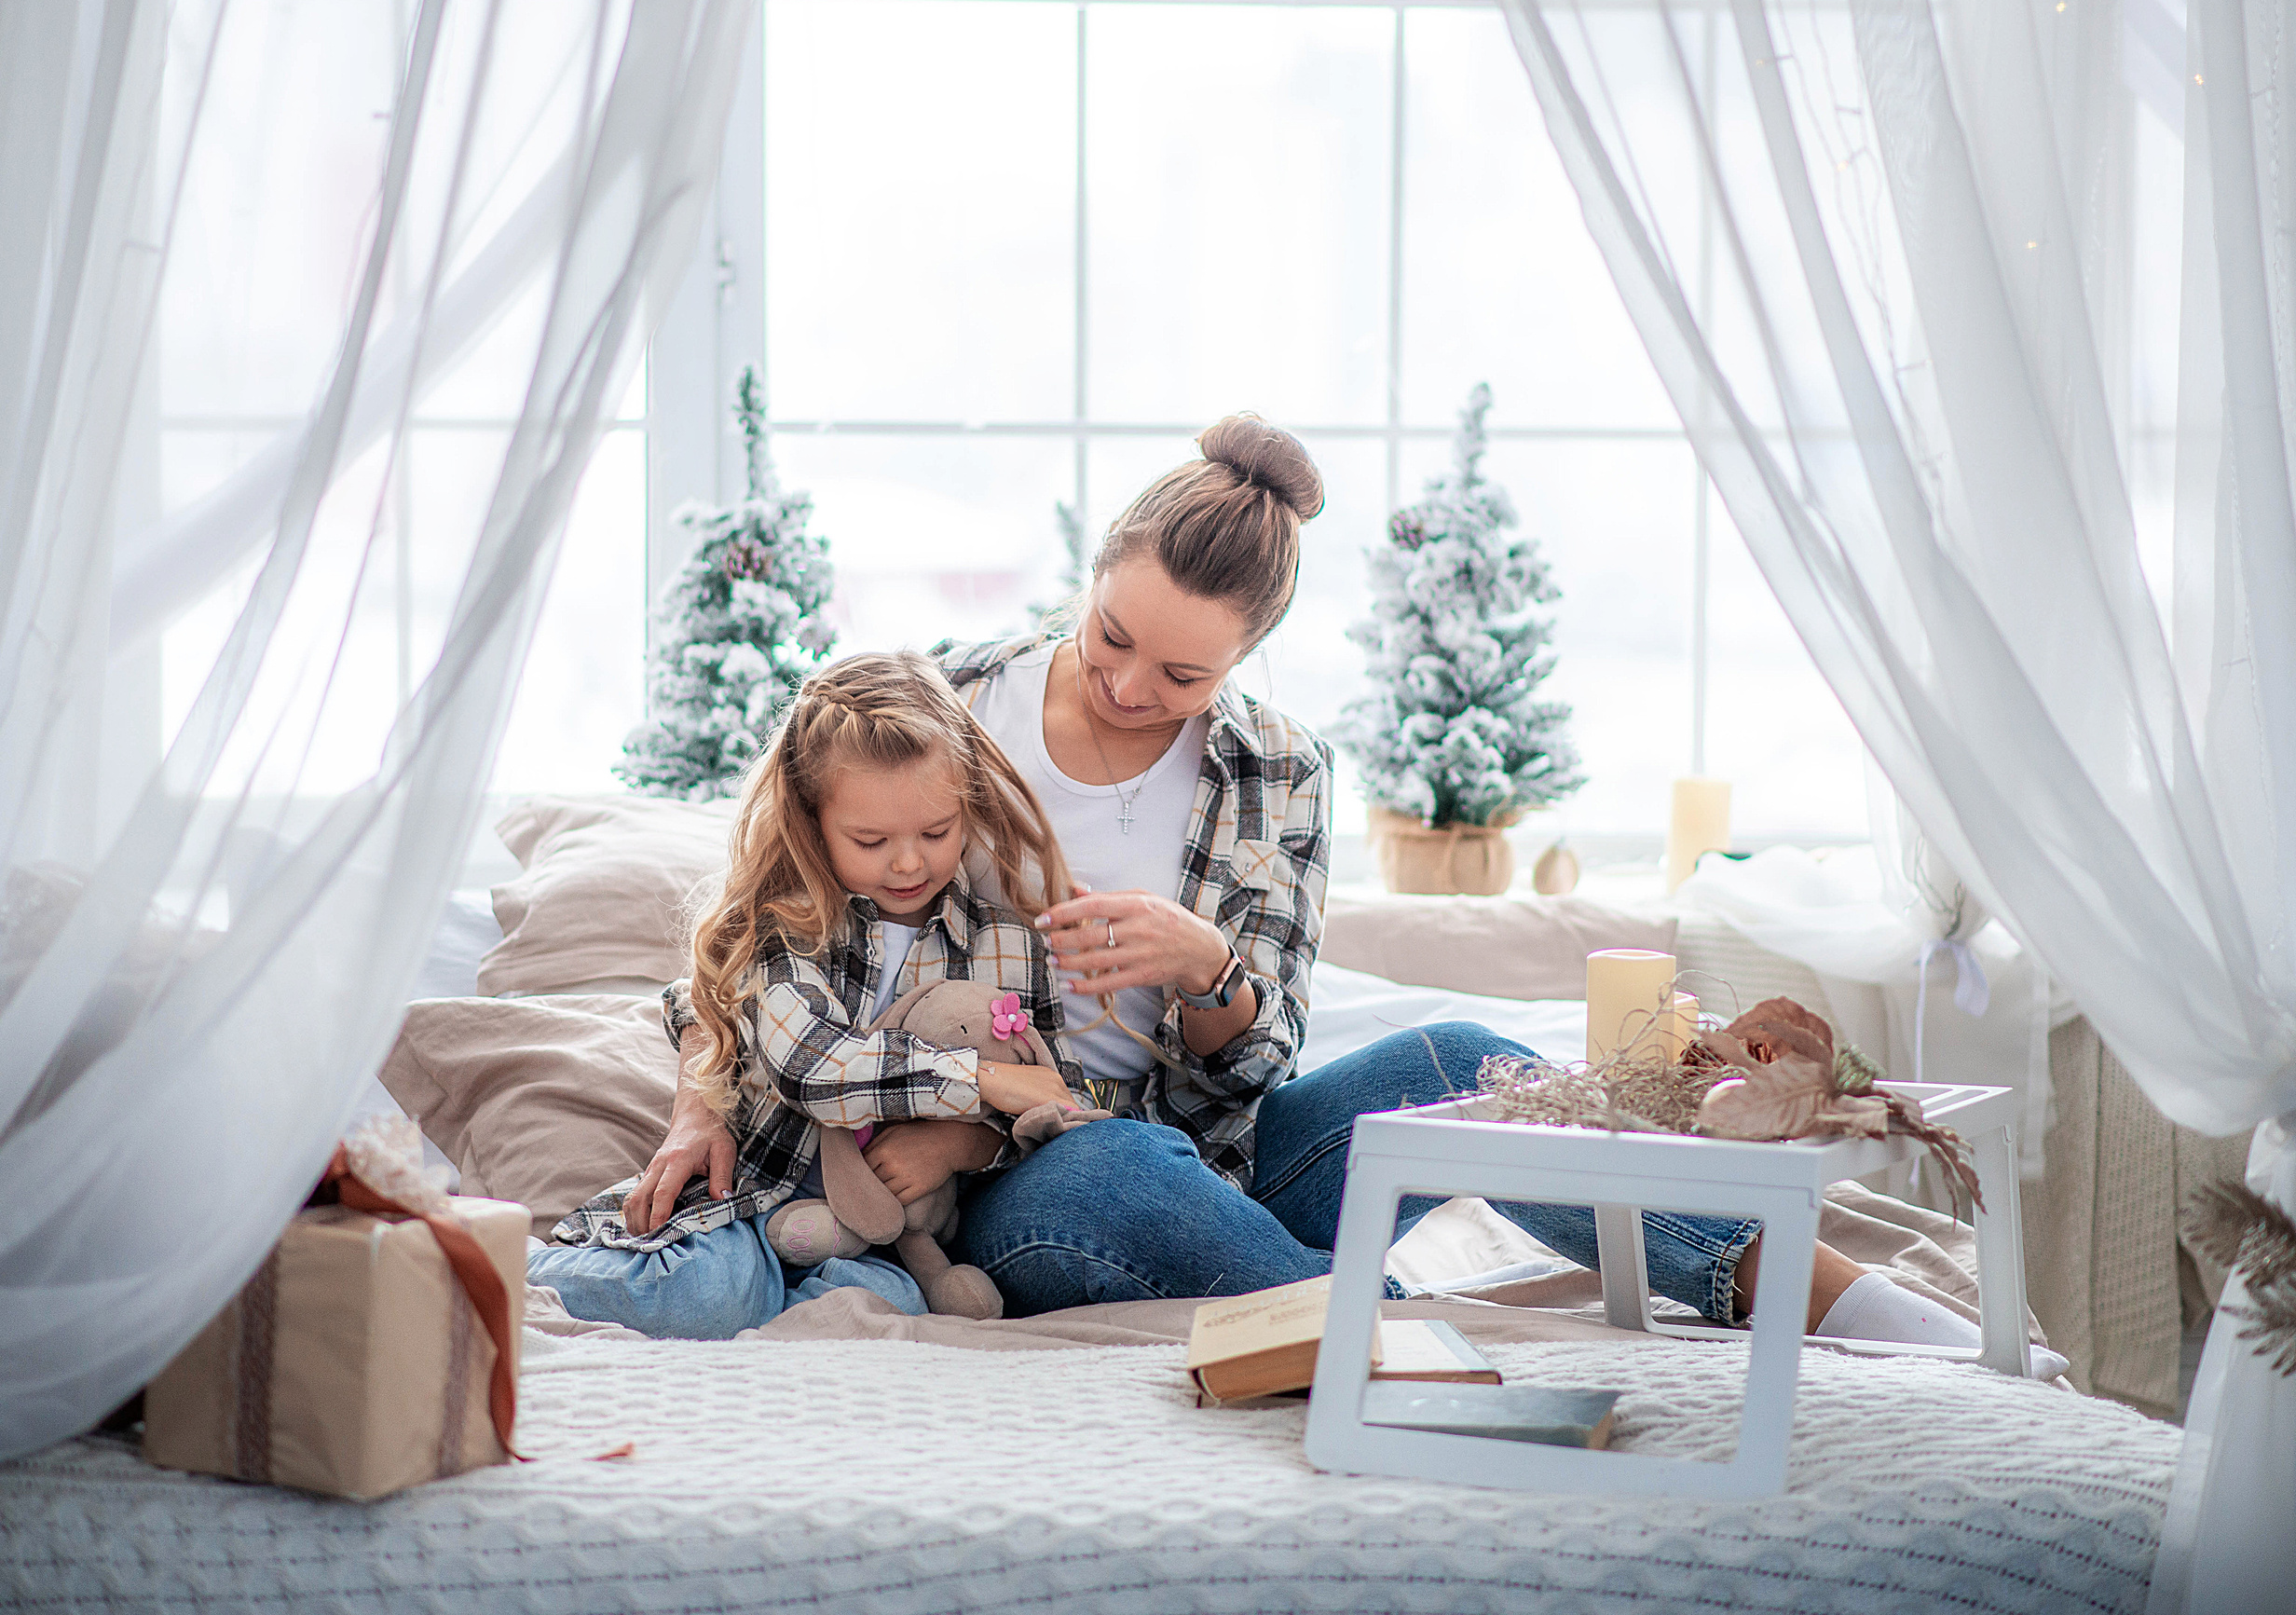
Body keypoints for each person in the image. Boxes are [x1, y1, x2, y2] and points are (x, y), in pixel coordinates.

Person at [615, 417, 2001, 1355]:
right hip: (1017, 1182)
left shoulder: (1274, 772)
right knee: (1119, 1156)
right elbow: (750, 929)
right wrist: (698, 1099)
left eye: (1182, 674)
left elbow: (1259, 1052)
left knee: (1462, 1058)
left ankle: (1853, 1308)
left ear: (1247, 659)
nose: (1127, 686)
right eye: (1112, 638)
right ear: (1090, 577)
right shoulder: (947, 703)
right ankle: (1409, 1347)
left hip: (1215, 1149)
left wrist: (1198, 964)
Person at [527, 651, 1088, 1338]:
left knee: (893, 1312)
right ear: (812, 821)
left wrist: (962, 1145)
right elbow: (812, 1067)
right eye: (871, 839)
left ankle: (775, 1325)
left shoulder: (1009, 947)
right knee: (714, 1295)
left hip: (885, 1237)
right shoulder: (789, 926)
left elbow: (1052, 1099)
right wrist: (982, 1081)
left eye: (936, 832)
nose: (909, 861)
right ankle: (510, 1264)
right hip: (753, 1195)